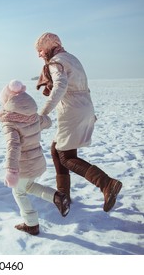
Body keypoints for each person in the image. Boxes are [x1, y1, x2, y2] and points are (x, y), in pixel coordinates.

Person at [35, 32, 122, 212]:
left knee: (66, 156)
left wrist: (43, 113)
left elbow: (60, 86)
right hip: (84, 106)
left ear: (49, 48)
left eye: (41, 51)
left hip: (72, 110)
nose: (40, 55)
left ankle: (107, 184)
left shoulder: (55, 62)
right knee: (56, 148)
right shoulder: (71, 58)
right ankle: (63, 195)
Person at [0, 80, 70, 236]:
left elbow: (13, 146)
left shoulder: (10, 123)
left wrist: (11, 170)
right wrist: (39, 119)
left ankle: (31, 224)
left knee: (19, 192)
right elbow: (48, 122)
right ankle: (57, 197)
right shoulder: (33, 117)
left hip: (23, 166)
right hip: (37, 161)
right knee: (28, 187)